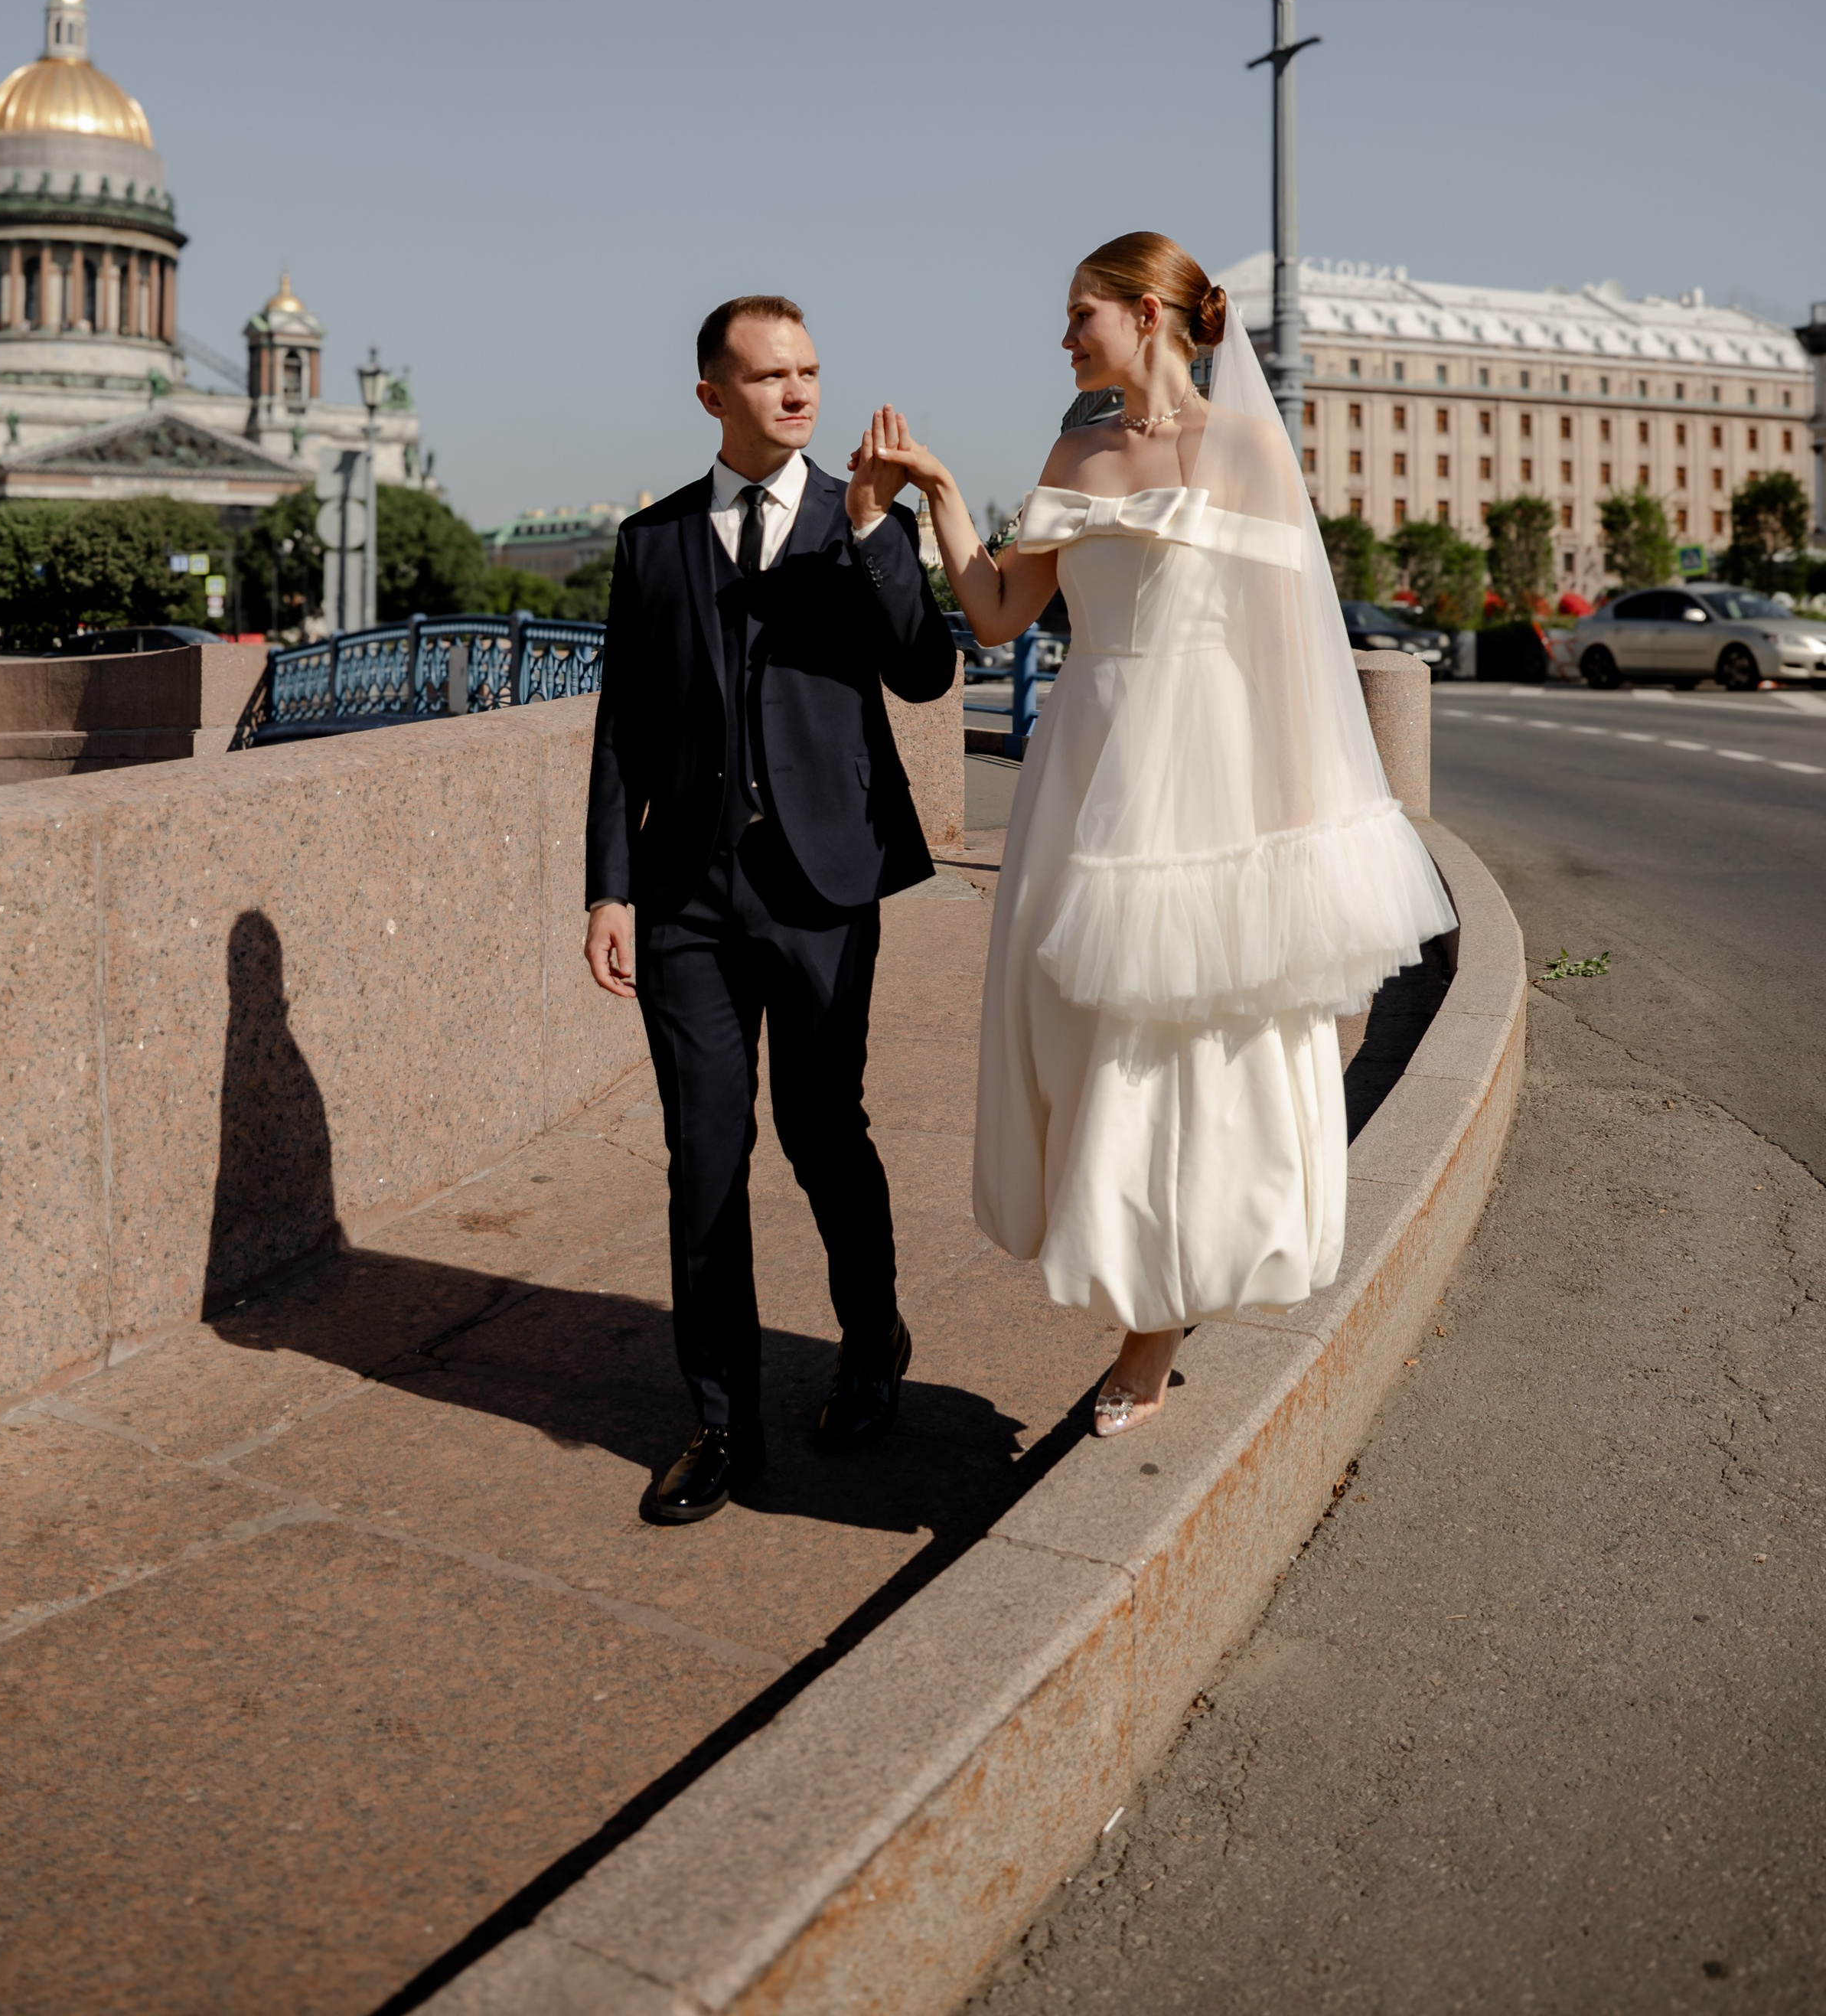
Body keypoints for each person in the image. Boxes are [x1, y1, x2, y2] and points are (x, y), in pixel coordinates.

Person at [862, 231, 1455, 1437]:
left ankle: (1154, 1328)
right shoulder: (1073, 450)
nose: (1063, 338)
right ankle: (1135, 1273)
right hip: (1087, 762)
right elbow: (996, 614)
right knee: (1082, 1035)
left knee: (1191, 1042)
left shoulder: (1245, 448)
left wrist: (1295, 831)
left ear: (1146, 314)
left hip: (1209, 771)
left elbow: (1287, 650)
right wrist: (936, 498)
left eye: (1079, 314)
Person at [584, 295, 958, 1523]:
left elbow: (925, 670)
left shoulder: (858, 521)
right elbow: (623, 729)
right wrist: (609, 886)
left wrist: (880, 532)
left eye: (809, 371)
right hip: (685, 895)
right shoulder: (651, 542)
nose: (798, 393)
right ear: (713, 395)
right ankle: (720, 1422)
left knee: (820, 1129)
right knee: (705, 1154)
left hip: (824, 885)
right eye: (768, 376)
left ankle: (871, 1340)